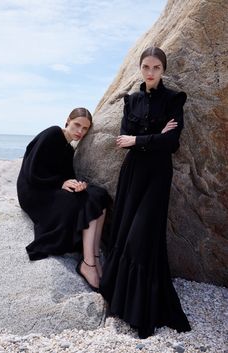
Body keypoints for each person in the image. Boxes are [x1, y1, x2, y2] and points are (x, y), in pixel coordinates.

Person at [100, 47, 191, 337]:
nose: (150, 72)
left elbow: (172, 143)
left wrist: (139, 139)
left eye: (156, 68)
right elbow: (121, 140)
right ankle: (120, 303)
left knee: (143, 235)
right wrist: (155, 136)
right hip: (133, 174)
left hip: (157, 175)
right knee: (126, 231)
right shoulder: (132, 100)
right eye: (146, 67)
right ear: (140, 69)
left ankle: (142, 310)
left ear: (163, 71)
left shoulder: (174, 99)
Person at [17, 107, 109, 291]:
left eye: (85, 129)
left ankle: (93, 257)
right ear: (67, 120)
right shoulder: (52, 134)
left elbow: (68, 176)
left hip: (51, 187)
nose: (80, 131)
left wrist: (78, 185)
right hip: (34, 191)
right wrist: (61, 183)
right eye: (77, 125)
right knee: (81, 202)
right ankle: (88, 263)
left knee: (99, 196)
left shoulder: (69, 149)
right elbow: (32, 170)